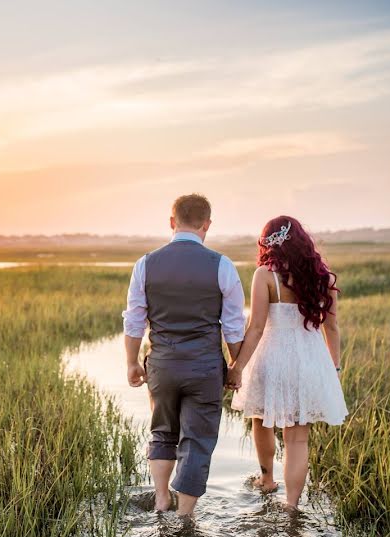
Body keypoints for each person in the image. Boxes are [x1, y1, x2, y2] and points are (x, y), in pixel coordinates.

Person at [123, 194, 246, 517]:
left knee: (162, 432)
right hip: (205, 368)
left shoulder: (145, 264)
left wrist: (131, 362)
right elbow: (233, 327)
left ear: (171, 222)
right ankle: (185, 516)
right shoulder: (222, 265)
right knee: (198, 439)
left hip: (162, 366)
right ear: (207, 225)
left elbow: (134, 319)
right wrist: (236, 366)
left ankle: (162, 498)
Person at [228, 216, 348, 509]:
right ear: (301, 240)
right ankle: (292, 505)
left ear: (268, 243)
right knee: (297, 439)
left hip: (271, 357)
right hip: (308, 359)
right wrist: (333, 370)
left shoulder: (264, 275)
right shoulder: (323, 277)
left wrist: (238, 367)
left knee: (260, 418)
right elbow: (331, 329)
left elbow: (255, 327)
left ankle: (267, 480)